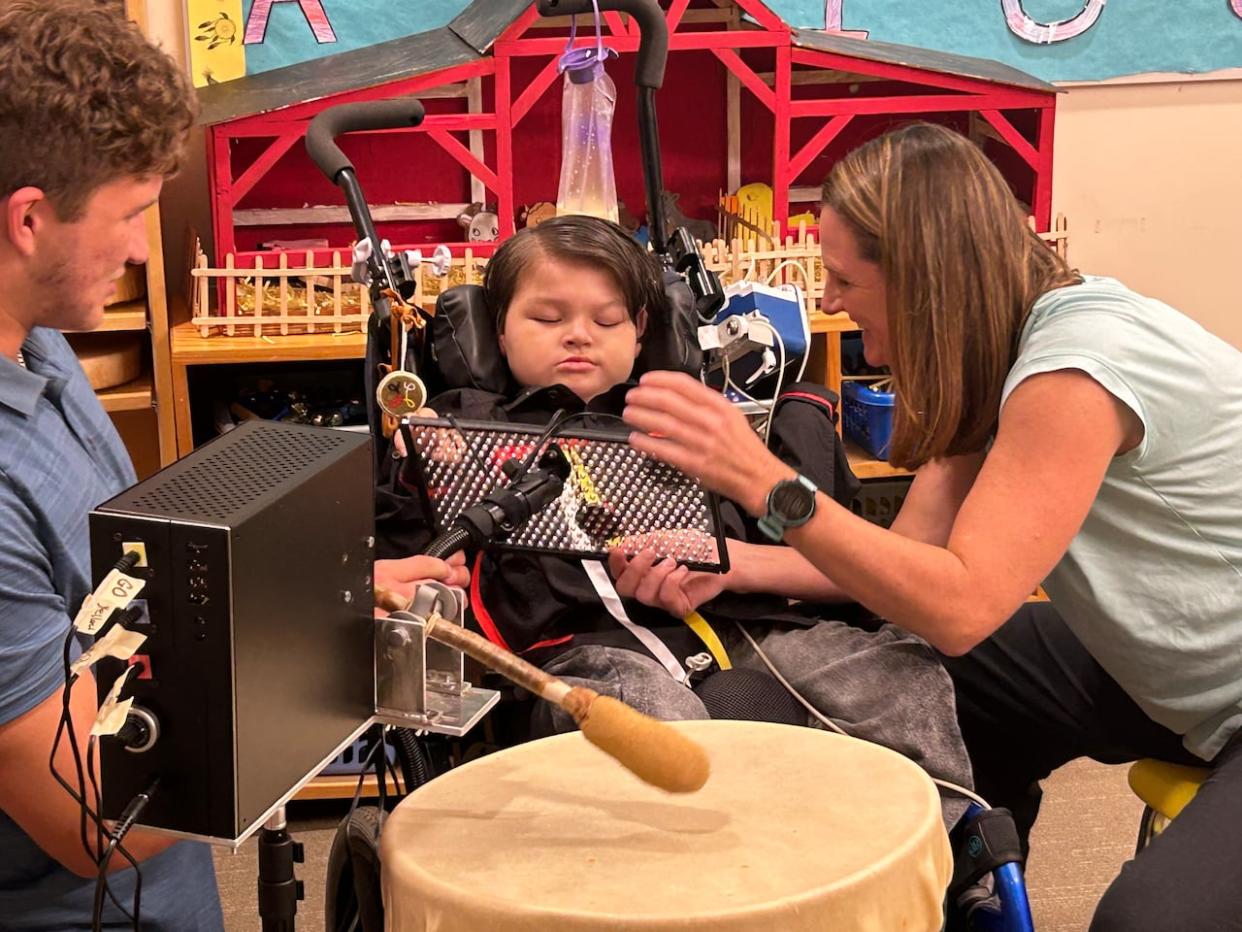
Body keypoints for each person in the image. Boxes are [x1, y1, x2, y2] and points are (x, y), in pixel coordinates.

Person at [616, 122, 1242, 931]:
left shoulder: (1076, 367)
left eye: (843, 278)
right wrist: (737, 563)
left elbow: (959, 606)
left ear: (922, 279)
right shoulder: (1002, 351)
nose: (829, 300)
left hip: (1216, 680)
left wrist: (762, 479)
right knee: (898, 690)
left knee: (1147, 923)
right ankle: (974, 888)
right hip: (1176, 660)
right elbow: (907, 567)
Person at [0, 4, 462, 928]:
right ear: (28, 218)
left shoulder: (38, 346)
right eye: (130, 213)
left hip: (165, 894)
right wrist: (329, 664)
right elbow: (91, 814)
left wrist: (323, 600)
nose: (140, 247)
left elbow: (121, 614)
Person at [379, 214, 975, 822]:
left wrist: (726, 556)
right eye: (548, 319)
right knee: (644, 713)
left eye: (605, 320)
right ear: (499, 333)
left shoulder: (689, 424)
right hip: (581, 649)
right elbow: (408, 559)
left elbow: (771, 531)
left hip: (737, 625)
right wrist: (416, 472)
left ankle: (944, 844)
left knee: (896, 672)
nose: (578, 336)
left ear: (640, 331)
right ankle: (690, 876)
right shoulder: (459, 433)